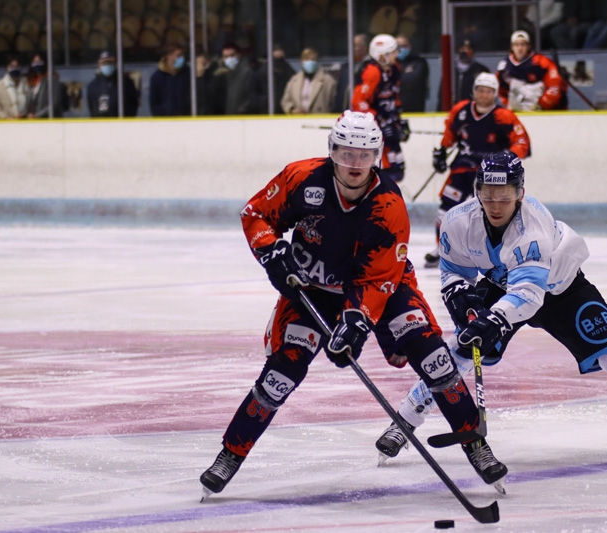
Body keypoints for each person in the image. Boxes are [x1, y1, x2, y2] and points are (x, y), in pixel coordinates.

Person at [374, 151, 607, 493]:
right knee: (458, 350)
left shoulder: (533, 226)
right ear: (477, 190)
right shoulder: (458, 221)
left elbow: (529, 295)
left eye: (505, 196)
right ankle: (404, 421)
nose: (495, 205)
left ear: (520, 193)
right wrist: (460, 297)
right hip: (502, 286)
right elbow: (454, 270)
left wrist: (493, 320)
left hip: (562, 290)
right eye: (488, 195)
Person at [199, 110, 506, 498]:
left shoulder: (388, 204)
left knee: (434, 358)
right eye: (347, 153)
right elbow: (256, 213)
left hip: (385, 289)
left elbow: (379, 279)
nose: (355, 164)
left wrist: (357, 322)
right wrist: (270, 250)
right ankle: (230, 453)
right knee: (281, 374)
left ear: (377, 155)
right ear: (332, 151)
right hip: (312, 290)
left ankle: (475, 444)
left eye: (364, 155)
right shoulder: (302, 178)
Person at [424, 72, 531, 268]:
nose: (484, 95)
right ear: (474, 92)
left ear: (495, 94)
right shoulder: (461, 110)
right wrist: (442, 151)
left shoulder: (504, 116)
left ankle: (492, 250)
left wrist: (506, 160)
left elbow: (522, 143)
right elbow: (450, 134)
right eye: (480, 90)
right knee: (445, 208)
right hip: (462, 167)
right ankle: (443, 248)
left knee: (489, 211)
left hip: (491, 175)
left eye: (488, 91)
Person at [351, 34, 409, 183]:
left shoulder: (394, 69)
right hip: (374, 130)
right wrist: (378, 121)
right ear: (382, 56)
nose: (397, 54)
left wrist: (398, 120)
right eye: (393, 52)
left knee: (397, 170)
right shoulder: (372, 72)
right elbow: (358, 103)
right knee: (383, 171)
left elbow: (393, 95)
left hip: (388, 124)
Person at [496, 30, 568, 111]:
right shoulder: (504, 66)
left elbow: (555, 86)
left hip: (546, 110)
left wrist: (541, 105)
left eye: (523, 44)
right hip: (518, 110)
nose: (520, 48)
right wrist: (509, 104)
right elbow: (500, 90)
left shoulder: (542, 62)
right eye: (516, 45)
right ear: (512, 47)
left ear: (529, 46)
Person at [280, 47, 337, 115]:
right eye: (306, 59)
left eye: (312, 60)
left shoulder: (328, 80)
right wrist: (292, 110)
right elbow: (285, 101)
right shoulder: (294, 80)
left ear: (317, 62)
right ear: (301, 62)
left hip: (320, 118)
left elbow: (335, 103)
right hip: (299, 119)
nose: (310, 62)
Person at [437, 39, 490, 111]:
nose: (465, 51)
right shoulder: (451, 70)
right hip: (453, 109)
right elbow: (442, 93)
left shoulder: (481, 70)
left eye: (469, 49)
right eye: (463, 48)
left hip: (473, 110)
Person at [86, 50, 139, 118]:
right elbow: (92, 108)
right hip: (101, 122)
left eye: (110, 62)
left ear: (115, 63)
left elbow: (134, 104)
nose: (107, 65)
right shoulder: (93, 86)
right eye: (104, 63)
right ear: (99, 64)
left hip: (122, 122)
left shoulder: (125, 83)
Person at [221, 42, 264, 115]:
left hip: (243, 117)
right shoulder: (227, 73)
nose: (229, 59)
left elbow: (252, 97)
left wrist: (241, 112)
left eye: (232, 55)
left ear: (238, 55)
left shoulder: (247, 73)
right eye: (226, 56)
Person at [149, 44, 191, 117]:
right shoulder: (157, 77)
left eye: (182, 55)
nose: (182, 58)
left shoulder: (188, 73)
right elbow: (154, 101)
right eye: (178, 55)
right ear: (169, 57)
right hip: (165, 119)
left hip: (185, 118)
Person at [333, 33, 370, 113]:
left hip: (362, 112)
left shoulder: (370, 67)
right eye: (352, 46)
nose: (353, 49)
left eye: (356, 45)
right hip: (344, 112)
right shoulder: (345, 67)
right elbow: (340, 92)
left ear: (365, 48)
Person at [395, 34, 429, 112]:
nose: (401, 49)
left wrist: (396, 77)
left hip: (414, 107)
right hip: (394, 107)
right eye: (398, 47)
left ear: (410, 46)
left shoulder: (419, 61)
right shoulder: (391, 63)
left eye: (404, 46)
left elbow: (414, 80)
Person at [25, 54, 64, 119]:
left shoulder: (52, 79)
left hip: (49, 120)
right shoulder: (31, 82)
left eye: (39, 61)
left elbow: (54, 104)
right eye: (34, 62)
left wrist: (37, 115)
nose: (37, 64)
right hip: (35, 121)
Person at [195, 49, 221, 116]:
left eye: (203, 64)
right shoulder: (192, 80)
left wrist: (200, 77)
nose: (199, 67)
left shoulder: (215, 78)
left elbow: (209, 98)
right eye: (197, 64)